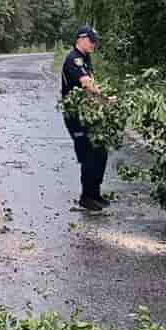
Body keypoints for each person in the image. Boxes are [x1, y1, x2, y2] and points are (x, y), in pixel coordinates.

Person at [61, 25, 110, 211]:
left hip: (88, 113)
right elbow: (87, 85)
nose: (94, 45)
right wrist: (105, 99)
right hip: (75, 115)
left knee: (101, 151)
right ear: (81, 39)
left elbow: (93, 84)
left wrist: (103, 101)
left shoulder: (86, 59)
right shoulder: (74, 60)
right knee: (88, 154)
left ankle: (95, 193)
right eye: (91, 41)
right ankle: (86, 197)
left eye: (95, 41)